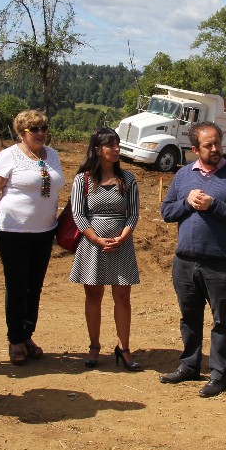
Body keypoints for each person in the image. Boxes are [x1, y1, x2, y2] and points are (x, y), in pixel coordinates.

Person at [159, 121, 226, 398]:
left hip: (220, 262)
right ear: (195, 149)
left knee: (221, 320)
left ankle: (220, 374)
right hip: (185, 261)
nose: (215, 149)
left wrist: (214, 206)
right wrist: (186, 203)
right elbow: (167, 212)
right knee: (189, 317)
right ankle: (189, 365)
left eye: (217, 143)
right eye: (208, 145)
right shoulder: (182, 176)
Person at [0, 110, 64, 366]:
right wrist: (5, 217)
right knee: (16, 286)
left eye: (43, 128)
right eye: (34, 129)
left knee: (34, 286)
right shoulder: (8, 156)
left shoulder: (52, 155)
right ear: (21, 133)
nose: (40, 133)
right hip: (13, 233)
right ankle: (15, 339)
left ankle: (28, 335)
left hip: (44, 231)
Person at [69, 127, 142, 371]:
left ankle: (124, 348)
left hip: (122, 244)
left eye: (118, 144)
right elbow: (78, 213)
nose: (117, 149)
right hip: (92, 246)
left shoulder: (128, 179)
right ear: (98, 149)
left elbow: (133, 213)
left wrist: (123, 236)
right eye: (111, 145)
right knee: (93, 296)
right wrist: (96, 239)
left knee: (122, 297)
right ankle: (94, 346)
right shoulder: (83, 179)